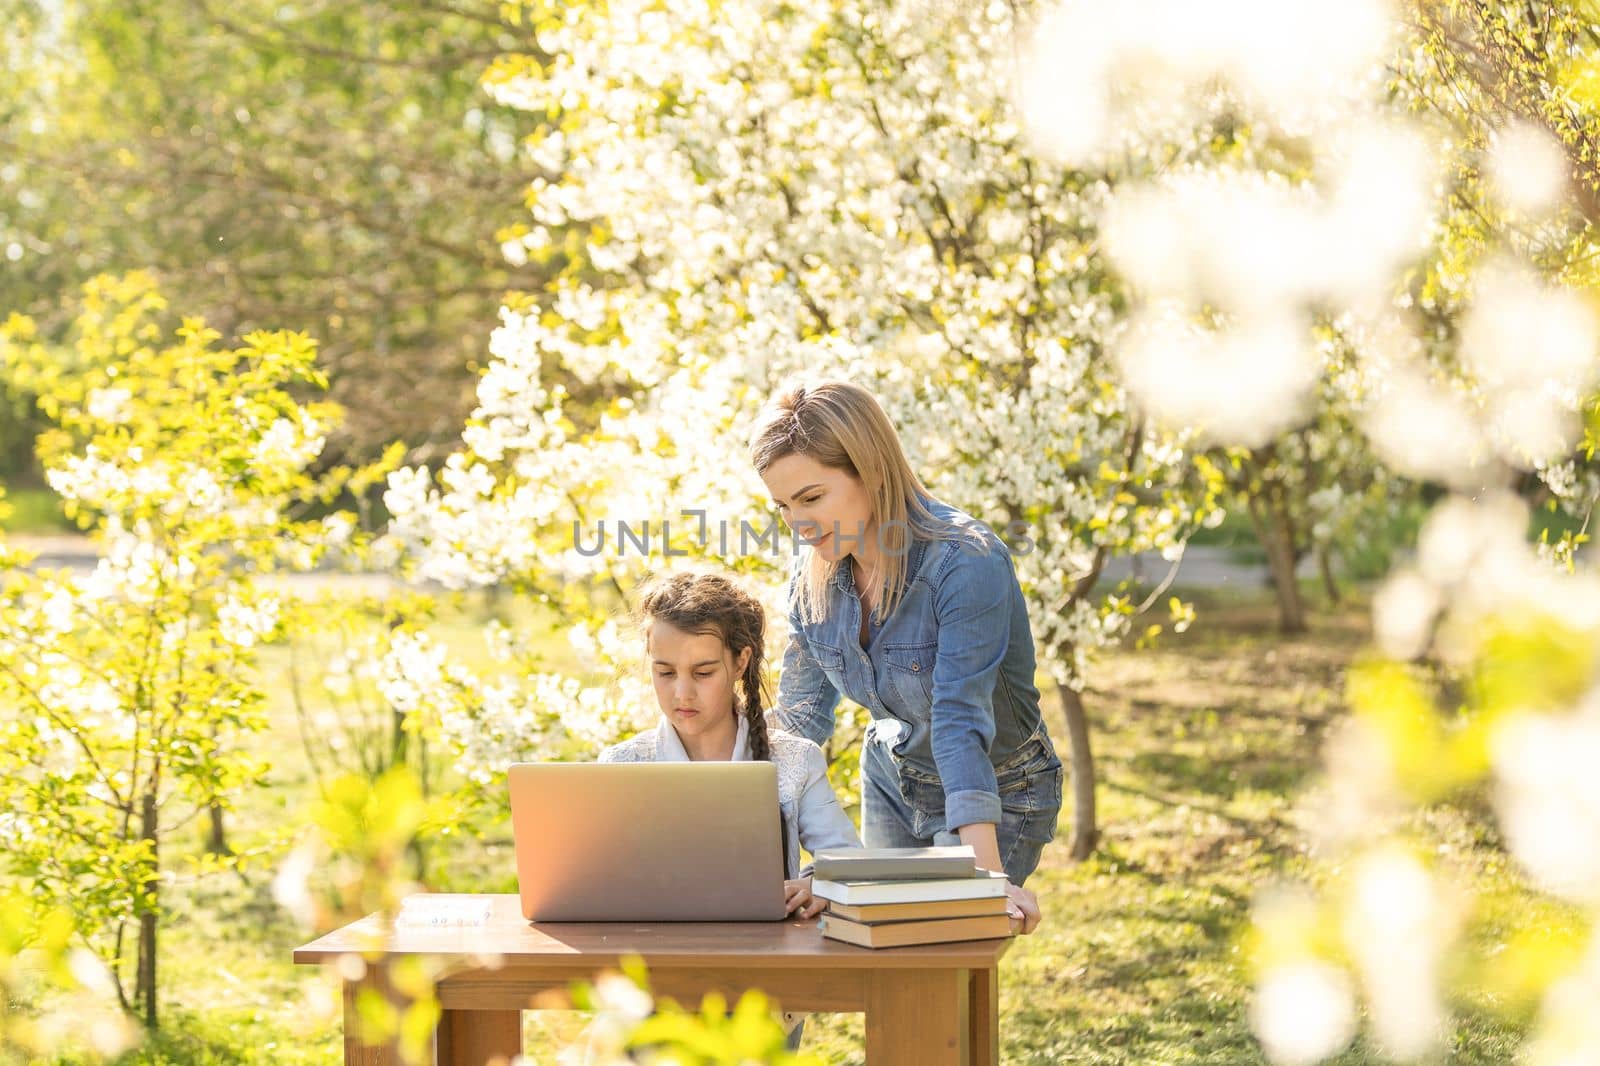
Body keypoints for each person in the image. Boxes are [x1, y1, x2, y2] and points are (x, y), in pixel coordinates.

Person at [751, 379, 1064, 935]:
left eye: (811, 498)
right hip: (895, 777)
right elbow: (800, 721)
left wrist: (983, 880)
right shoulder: (814, 570)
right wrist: (723, 814)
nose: (797, 524)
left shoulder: (965, 561)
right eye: (782, 506)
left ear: (869, 471)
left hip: (999, 786)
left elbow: (959, 721)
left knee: (944, 950)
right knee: (882, 951)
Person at [598, 569, 861, 1049]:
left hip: (762, 996)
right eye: (664, 673)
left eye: (702, 673)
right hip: (652, 996)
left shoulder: (793, 759)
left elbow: (849, 865)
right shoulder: (621, 765)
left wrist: (813, 884)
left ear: (740, 662)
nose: (682, 694)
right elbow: (593, 882)